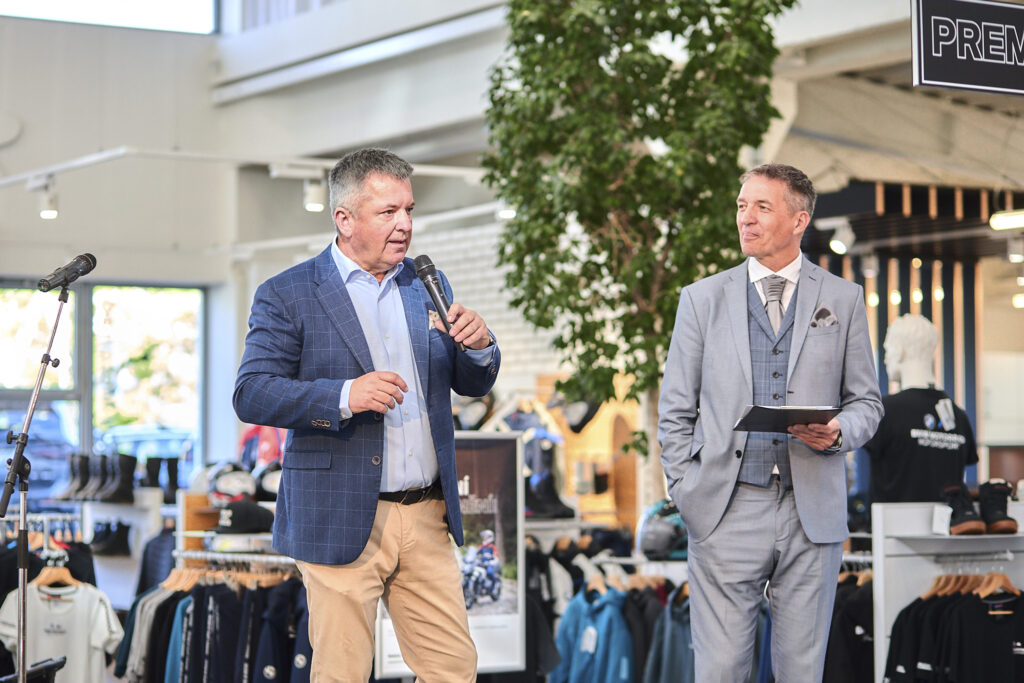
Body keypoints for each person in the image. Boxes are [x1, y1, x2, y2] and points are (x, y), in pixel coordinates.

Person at [233, 147, 501, 682]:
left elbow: (470, 382)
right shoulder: (288, 293)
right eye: (388, 212)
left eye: (409, 210)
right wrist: (344, 395)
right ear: (345, 218)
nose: (405, 224)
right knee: (343, 673)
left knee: (454, 670)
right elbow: (252, 393)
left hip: (426, 514)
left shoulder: (426, 283)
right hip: (339, 516)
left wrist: (479, 346)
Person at [657, 163, 883, 681]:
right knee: (720, 672)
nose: (746, 218)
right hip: (723, 507)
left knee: (802, 671)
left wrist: (839, 431)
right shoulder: (701, 299)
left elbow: (867, 403)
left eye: (762, 207)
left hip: (812, 513)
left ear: (799, 220)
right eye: (742, 206)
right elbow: (675, 410)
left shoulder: (842, 299)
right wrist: (685, 490)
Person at [864, 314, 978, 503]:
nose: (885, 358)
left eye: (887, 349)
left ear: (900, 350)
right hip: (947, 521)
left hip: (891, 520)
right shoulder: (959, 416)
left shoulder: (883, 411)